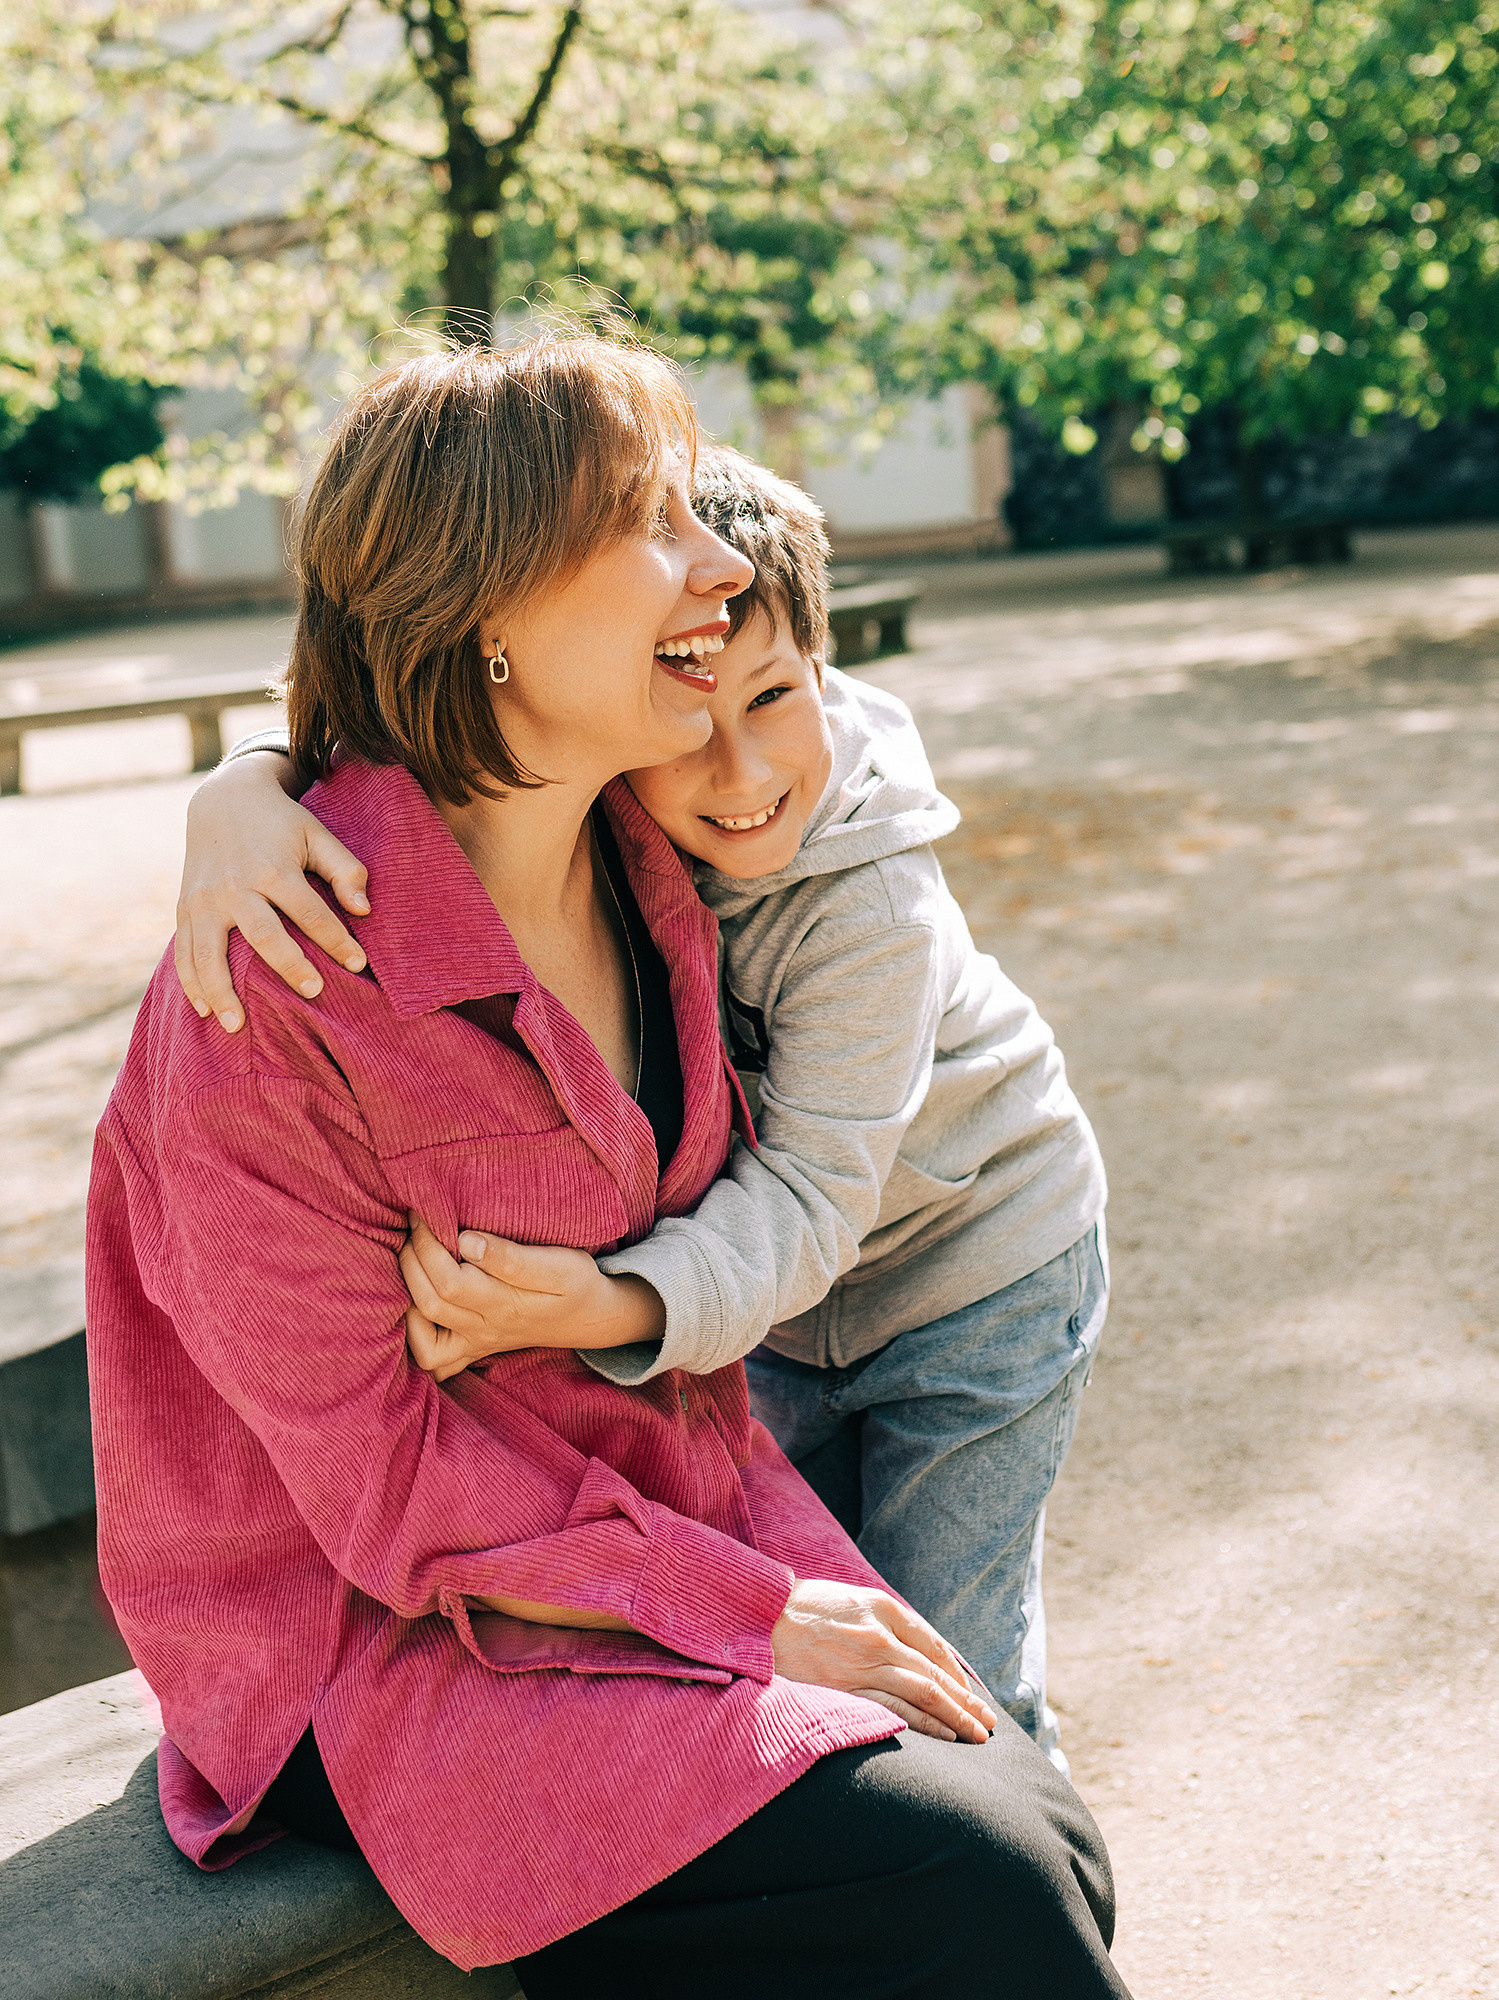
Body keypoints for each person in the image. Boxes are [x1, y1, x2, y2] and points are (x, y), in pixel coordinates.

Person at [91, 330, 1131, 1999]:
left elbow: (835, 735)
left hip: (668, 1494)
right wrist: (745, 1613)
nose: (718, 565)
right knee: (972, 1872)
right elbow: (386, 1489)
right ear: (491, 613)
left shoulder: (657, 846)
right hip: (383, 1635)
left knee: (1035, 1817)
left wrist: (246, 773)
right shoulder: (272, 990)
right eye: (656, 520)